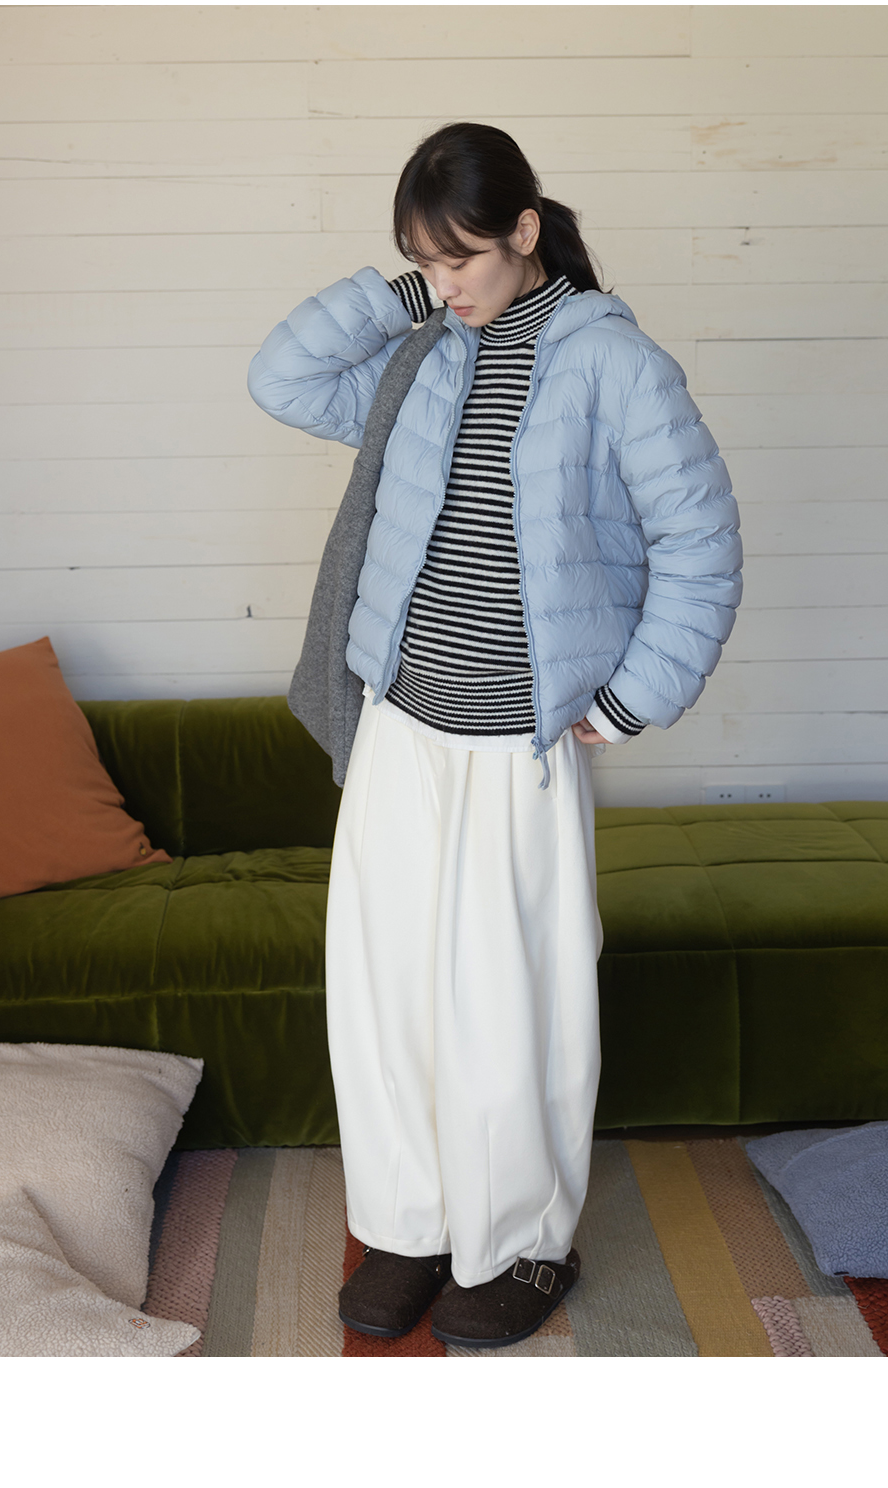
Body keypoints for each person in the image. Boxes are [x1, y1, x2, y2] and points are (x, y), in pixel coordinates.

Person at [248, 122, 742, 1348]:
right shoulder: (420, 354)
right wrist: (404, 292)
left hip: (517, 749)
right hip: (399, 726)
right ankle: (412, 1224)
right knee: (387, 997)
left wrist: (628, 699)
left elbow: (700, 541)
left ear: (526, 231)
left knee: (508, 1012)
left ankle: (520, 1243)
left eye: (461, 257)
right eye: (425, 260)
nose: (447, 283)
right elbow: (281, 378)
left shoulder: (613, 363)